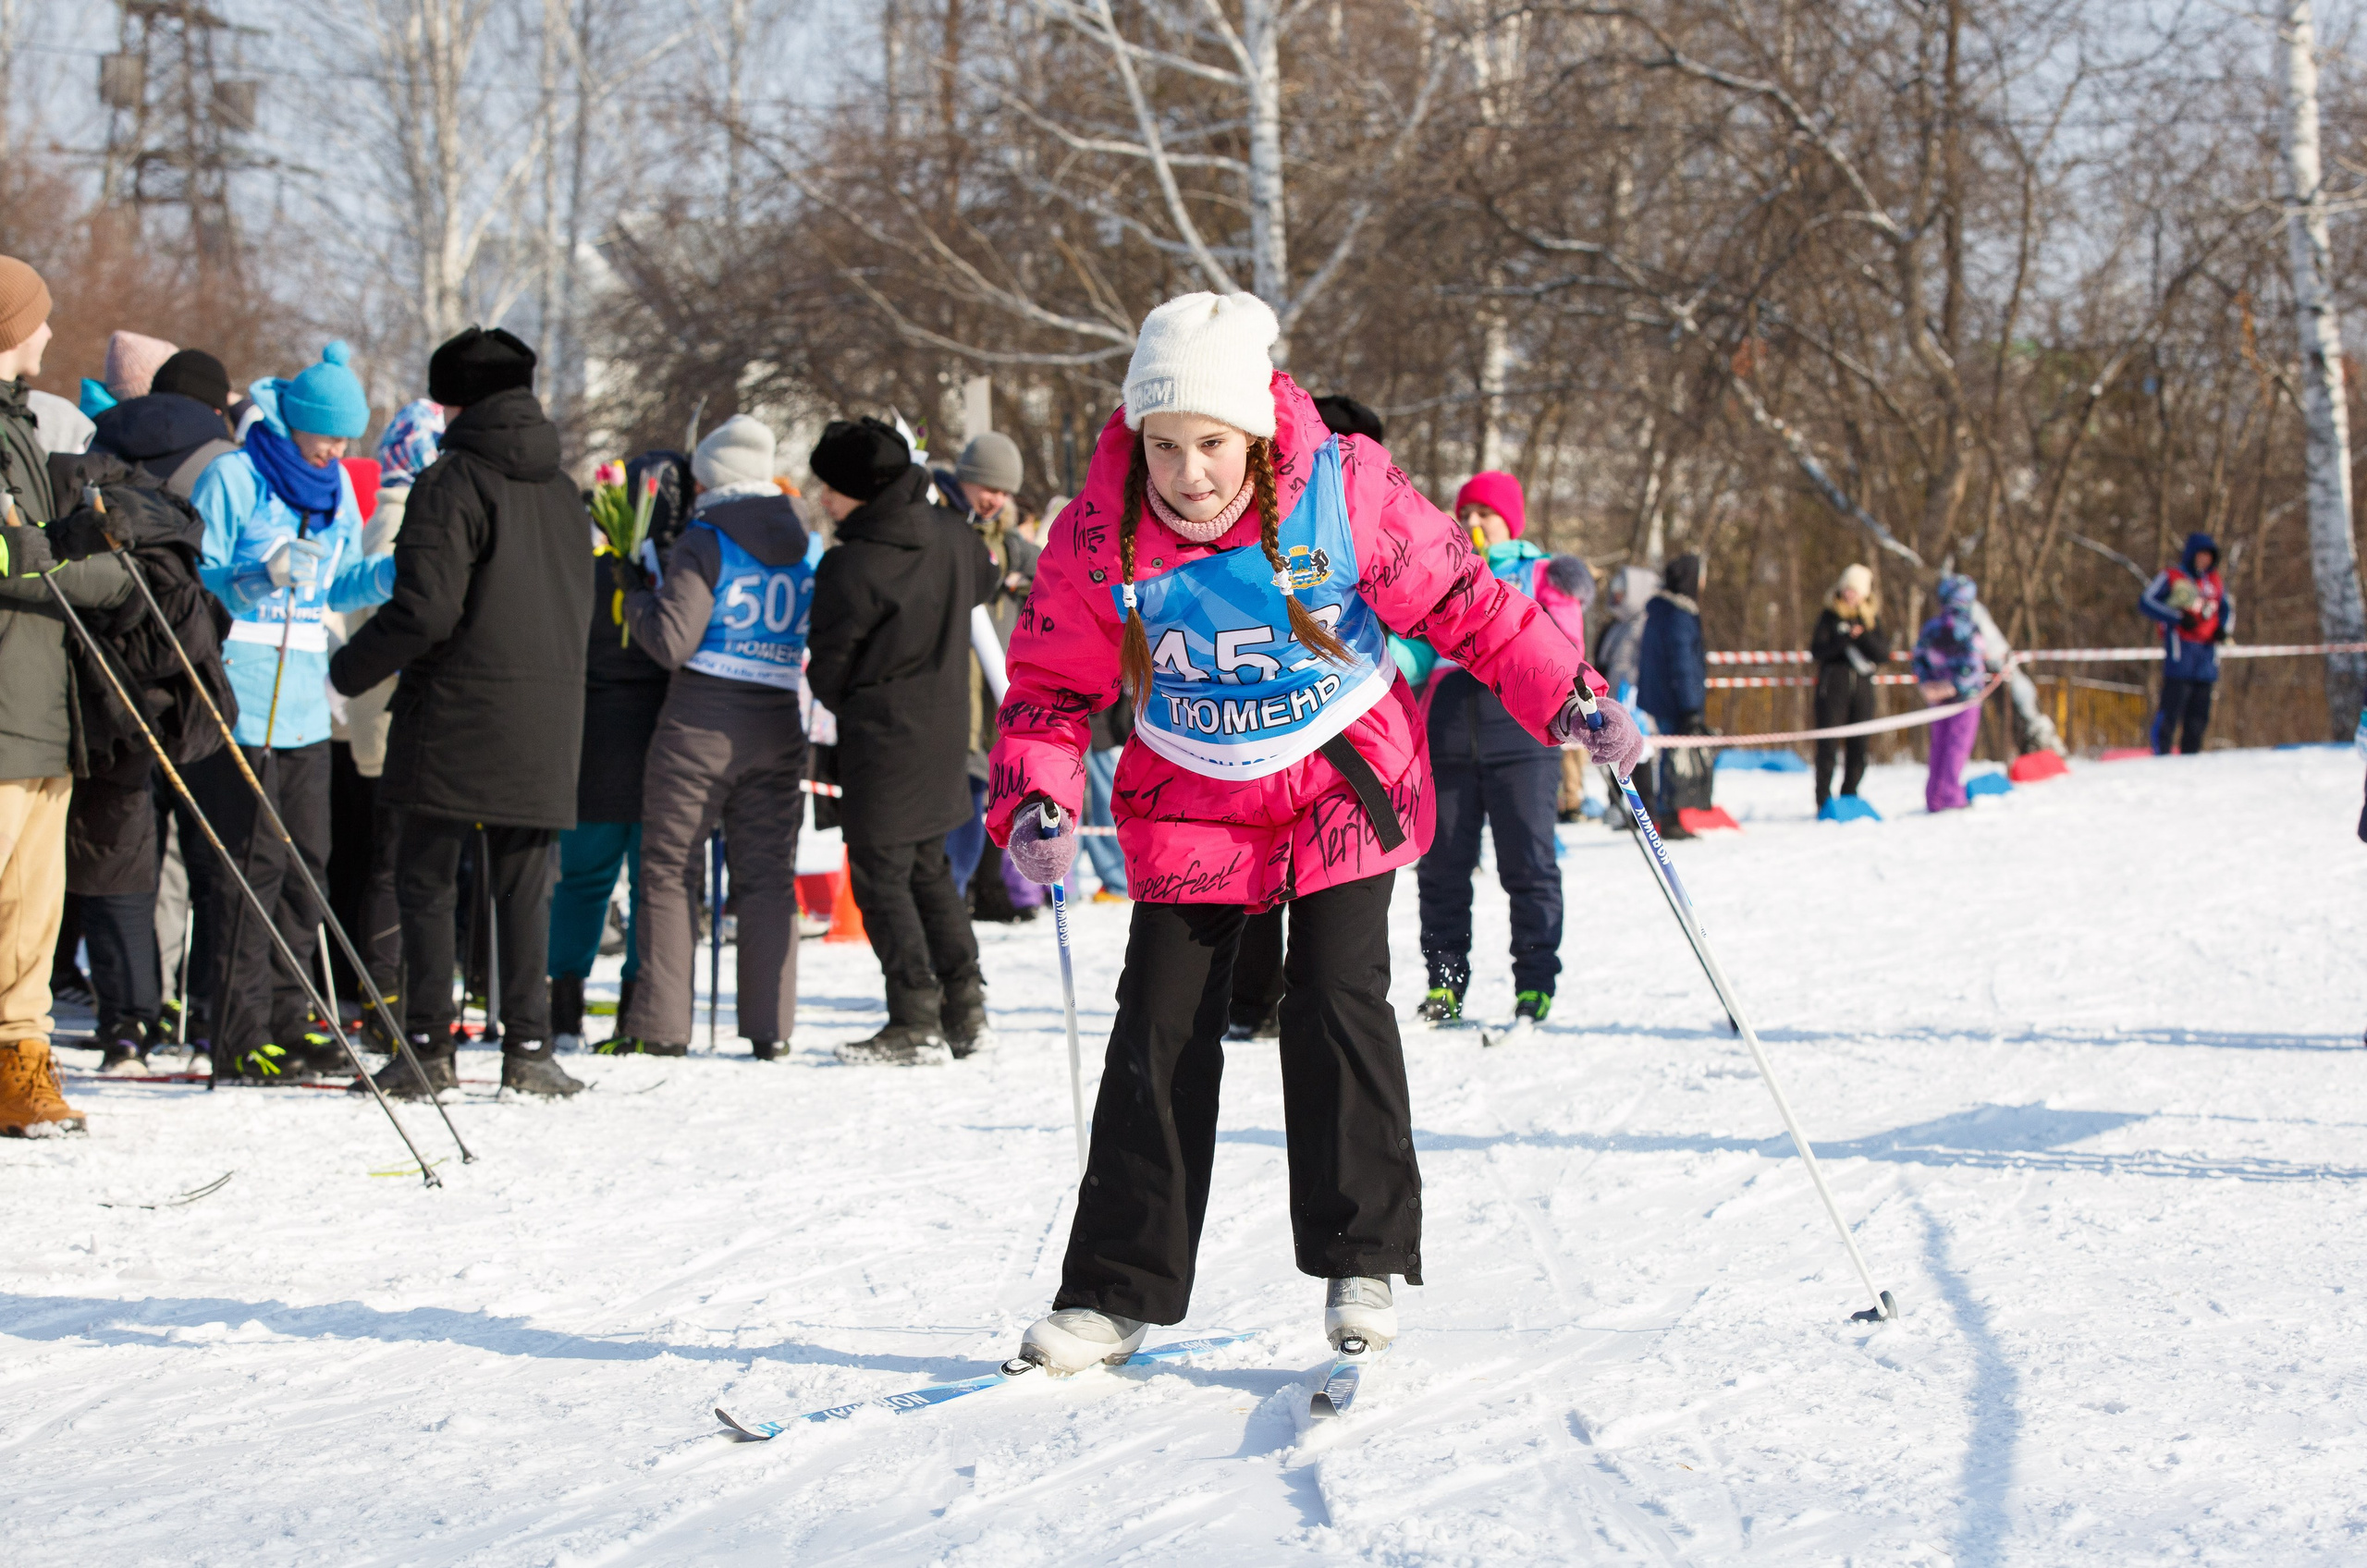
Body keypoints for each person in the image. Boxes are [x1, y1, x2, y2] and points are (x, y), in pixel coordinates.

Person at [984, 290, 1639, 1373]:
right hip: (1195, 781)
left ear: (1254, 432)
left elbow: (1470, 605)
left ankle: (1361, 1253)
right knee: (1158, 1018)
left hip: (1339, 767)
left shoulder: (1344, 489)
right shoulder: (1100, 530)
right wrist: (1037, 797)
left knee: (1334, 993)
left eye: (1211, 444)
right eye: (1165, 445)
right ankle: (1113, 1288)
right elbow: (1052, 685)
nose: (1189, 472)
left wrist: (1566, 693)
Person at [329, 325, 592, 1099]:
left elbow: (424, 609)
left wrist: (348, 669)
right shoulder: (562, 489)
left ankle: (425, 1047)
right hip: (547, 714)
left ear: (454, 402)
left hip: (455, 712)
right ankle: (530, 1048)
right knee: (522, 885)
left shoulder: (451, 482)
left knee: (426, 882)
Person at [188, 341, 393, 1082]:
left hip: (306, 704)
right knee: (252, 866)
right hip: (242, 698)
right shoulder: (235, 477)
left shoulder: (337, 487)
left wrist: (391, 572)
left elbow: (336, 588)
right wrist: (256, 574)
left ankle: (291, 1016)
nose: (335, 448)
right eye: (325, 433)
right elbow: (192, 584)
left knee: (307, 865)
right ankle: (241, 1035)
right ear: (296, 421)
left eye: (345, 437)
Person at [611, 416, 813, 1060]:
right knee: (768, 877)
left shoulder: (705, 538)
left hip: (701, 719)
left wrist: (633, 593)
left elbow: (671, 640)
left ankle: (664, 1026)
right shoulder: (805, 537)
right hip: (779, 718)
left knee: (670, 871)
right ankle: (769, 1027)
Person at [805, 416, 997, 1064]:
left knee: (883, 879)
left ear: (862, 489)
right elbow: (987, 582)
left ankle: (914, 1017)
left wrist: (858, 693)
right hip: (944, 729)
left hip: (882, 739)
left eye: (831, 487)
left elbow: (828, 668)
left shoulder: (849, 564)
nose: (824, 499)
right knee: (928, 870)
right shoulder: (951, 532)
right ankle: (964, 1005)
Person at [0, 255, 141, 1134]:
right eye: (40, 318)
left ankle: (20, 1066)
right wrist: (88, 568)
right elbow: (12, 556)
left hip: (40, 701)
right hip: (4, 705)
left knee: (34, 907)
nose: (51, 333)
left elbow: (30, 542)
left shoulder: (20, 424)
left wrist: (77, 533)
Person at [1395, 471, 1593, 1028]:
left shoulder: (1542, 573)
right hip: (1448, 736)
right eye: (1466, 513)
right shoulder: (1442, 573)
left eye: (1484, 513)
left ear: (1511, 520)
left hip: (1523, 739)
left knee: (1528, 865)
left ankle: (1534, 984)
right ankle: (1445, 983)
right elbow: (1413, 652)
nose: (1473, 522)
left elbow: (1565, 648)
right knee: (1442, 869)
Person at [551, 447, 687, 1053]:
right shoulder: (680, 562)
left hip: (602, 739)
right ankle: (621, 1006)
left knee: (590, 880)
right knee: (646, 883)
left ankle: (567, 1004)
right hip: (654, 738)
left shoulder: (594, 562)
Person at [324, 398, 445, 1022]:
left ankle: (379, 982)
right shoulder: (398, 516)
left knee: (385, 855)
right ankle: (381, 986)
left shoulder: (392, 509)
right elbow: (390, 612)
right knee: (390, 859)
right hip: (387, 713)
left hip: (378, 709)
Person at [935, 432, 1042, 921]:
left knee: (977, 812)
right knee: (955, 818)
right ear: (966, 480)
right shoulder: (943, 525)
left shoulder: (1004, 535)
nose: (996, 499)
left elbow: (1040, 567)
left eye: (1004, 492)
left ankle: (960, 912)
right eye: (988, 488)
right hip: (950, 698)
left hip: (992, 698)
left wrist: (1016, 573)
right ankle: (948, 915)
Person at [1636, 552, 1710, 838]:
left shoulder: (1663, 611)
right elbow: (1683, 662)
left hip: (1663, 696)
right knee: (1673, 757)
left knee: (1668, 755)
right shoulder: (1678, 614)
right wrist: (1690, 706)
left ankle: (1670, 813)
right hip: (1674, 699)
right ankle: (1669, 816)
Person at [2140, 532, 2232, 755]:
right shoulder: (2173, 576)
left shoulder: (2215, 581)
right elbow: (2146, 602)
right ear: (2191, 554)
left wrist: (2223, 630)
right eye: (2201, 555)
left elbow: (2226, 608)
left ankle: (2191, 756)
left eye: (2209, 556)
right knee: (2172, 708)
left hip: (2206, 658)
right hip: (2181, 654)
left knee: (2199, 714)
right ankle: (2161, 752)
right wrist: (2178, 617)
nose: (2205, 560)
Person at [1810, 564, 1892, 811]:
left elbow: (1883, 654)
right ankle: (1823, 800)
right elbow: (1817, 650)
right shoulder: (1830, 616)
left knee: (1859, 747)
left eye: (1855, 590)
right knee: (1828, 748)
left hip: (1863, 690)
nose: (1850, 595)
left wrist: (1861, 636)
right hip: (1832, 689)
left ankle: (1850, 795)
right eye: (1847, 589)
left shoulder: (1871, 619)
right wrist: (1843, 638)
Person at [1913, 573, 1988, 813]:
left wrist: (1928, 686)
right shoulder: (1969, 628)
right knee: (1957, 747)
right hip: (1964, 700)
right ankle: (1950, 796)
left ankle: (1934, 796)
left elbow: (1919, 659)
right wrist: (1956, 686)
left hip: (1937, 699)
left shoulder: (1931, 628)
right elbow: (1974, 665)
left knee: (1939, 746)